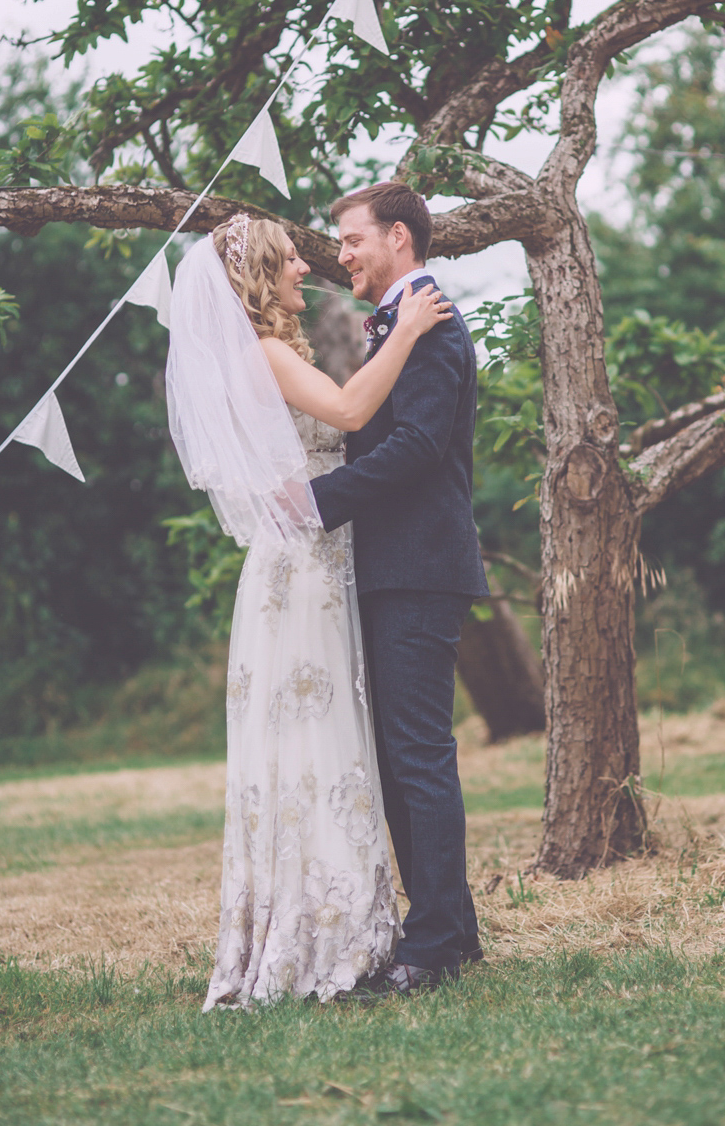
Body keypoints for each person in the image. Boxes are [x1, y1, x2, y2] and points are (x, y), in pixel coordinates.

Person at [165, 213, 452, 1008]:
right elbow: (354, 414)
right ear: (258, 276)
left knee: (318, 740)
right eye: (290, 259)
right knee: (316, 739)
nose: (306, 268)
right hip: (307, 564)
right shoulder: (262, 352)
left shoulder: (268, 351)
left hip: (306, 557)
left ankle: (335, 916)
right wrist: (407, 329)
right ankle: (323, 927)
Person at [307, 182, 490, 1001]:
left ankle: (437, 945)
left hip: (420, 566)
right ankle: (450, 931)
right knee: (398, 756)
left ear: (399, 240)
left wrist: (317, 503)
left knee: (418, 758)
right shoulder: (396, 323)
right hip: (393, 566)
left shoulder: (433, 324)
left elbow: (418, 447)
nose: (340, 254)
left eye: (350, 239)